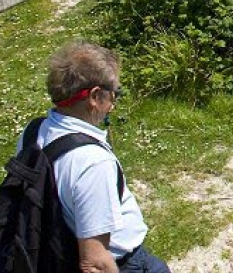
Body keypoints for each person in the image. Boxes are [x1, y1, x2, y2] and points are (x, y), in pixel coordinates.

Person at [21, 40, 169, 272]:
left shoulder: (33, 132)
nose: (113, 104)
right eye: (114, 94)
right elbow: (94, 262)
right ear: (95, 97)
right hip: (125, 262)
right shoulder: (92, 163)